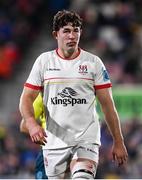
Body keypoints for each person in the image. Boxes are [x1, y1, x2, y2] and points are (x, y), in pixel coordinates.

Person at [19, 10, 128, 179]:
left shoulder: (93, 63)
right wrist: (32, 124)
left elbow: (108, 105)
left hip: (86, 140)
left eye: (76, 30)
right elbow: (26, 98)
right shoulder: (44, 61)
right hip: (53, 144)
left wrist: (118, 141)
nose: (72, 35)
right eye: (67, 31)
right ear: (56, 34)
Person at [20, 93, 48, 179]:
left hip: (80, 149)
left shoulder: (85, 91)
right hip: (48, 152)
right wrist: (39, 134)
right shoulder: (44, 94)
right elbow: (24, 126)